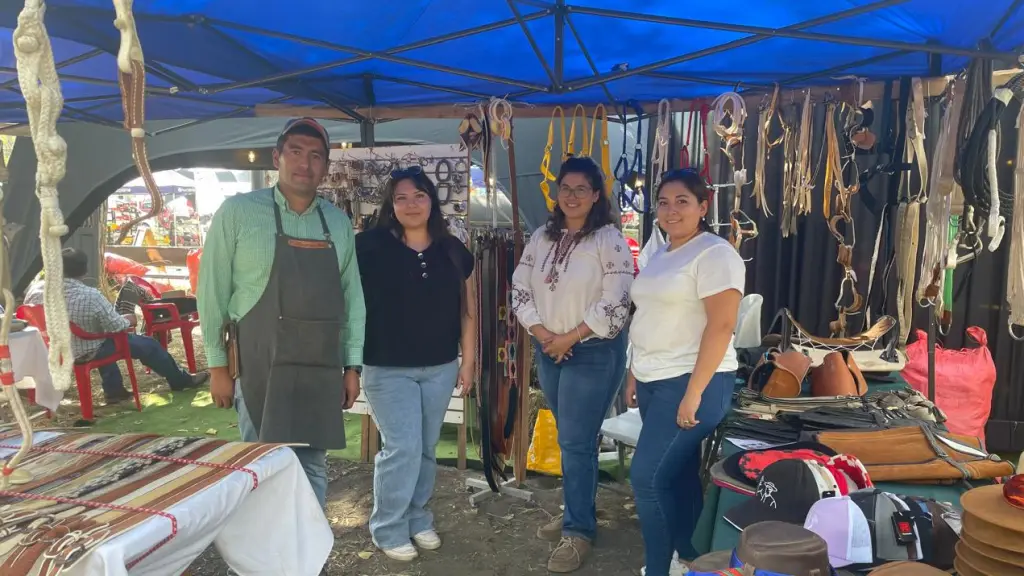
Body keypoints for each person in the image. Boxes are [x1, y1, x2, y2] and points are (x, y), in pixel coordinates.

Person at [197, 117, 366, 509]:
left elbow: (352, 298)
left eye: (315, 156)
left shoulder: (337, 223)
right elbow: (212, 293)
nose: (304, 164)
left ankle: (308, 557)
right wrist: (218, 367)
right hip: (259, 361)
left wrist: (352, 366)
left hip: (318, 364)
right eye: (295, 152)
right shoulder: (237, 213)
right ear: (277, 157)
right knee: (260, 463)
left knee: (312, 463)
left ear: (326, 167)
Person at [510, 156, 633, 573]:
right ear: (556, 192)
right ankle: (575, 515)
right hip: (550, 350)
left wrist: (569, 337)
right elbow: (520, 287)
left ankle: (578, 530)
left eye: (582, 189)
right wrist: (544, 335)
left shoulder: (609, 239)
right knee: (570, 440)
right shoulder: (542, 237)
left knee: (577, 442)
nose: (573, 196)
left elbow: (616, 299)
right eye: (566, 188)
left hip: (594, 351)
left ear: (596, 195)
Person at [625, 169, 745, 576]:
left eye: (682, 201)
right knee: (675, 473)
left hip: (692, 380)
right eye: (663, 202)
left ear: (703, 207)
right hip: (653, 378)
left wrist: (694, 393)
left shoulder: (715, 254)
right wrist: (633, 372)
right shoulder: (660, 252)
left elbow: (721, 325)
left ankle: (658, 568)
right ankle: (689, 554)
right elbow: (648, 314)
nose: (671, 210)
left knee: (645, 477)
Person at [355, 166, 476, 561]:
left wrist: (469, 360)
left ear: (432, 201)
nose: (411, 204)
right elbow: (349, 304)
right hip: (387, 367)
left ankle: (417, 516)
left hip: (440, 366)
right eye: (402, 197)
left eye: (419, 195)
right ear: (391, 203)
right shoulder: (368, 246)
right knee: (402, 446)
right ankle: (388, 526)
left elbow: (467, 312)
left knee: (425, 447)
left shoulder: (453, 250)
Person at [24, 248, 208, 403]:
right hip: (85, 349)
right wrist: (129, 319)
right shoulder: (89, 295)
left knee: (99, 335)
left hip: (50, 348)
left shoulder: (35, 290)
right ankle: (180, 381)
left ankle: (114, 390)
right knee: (146, 344)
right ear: (85, 270)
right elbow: (117, 327)